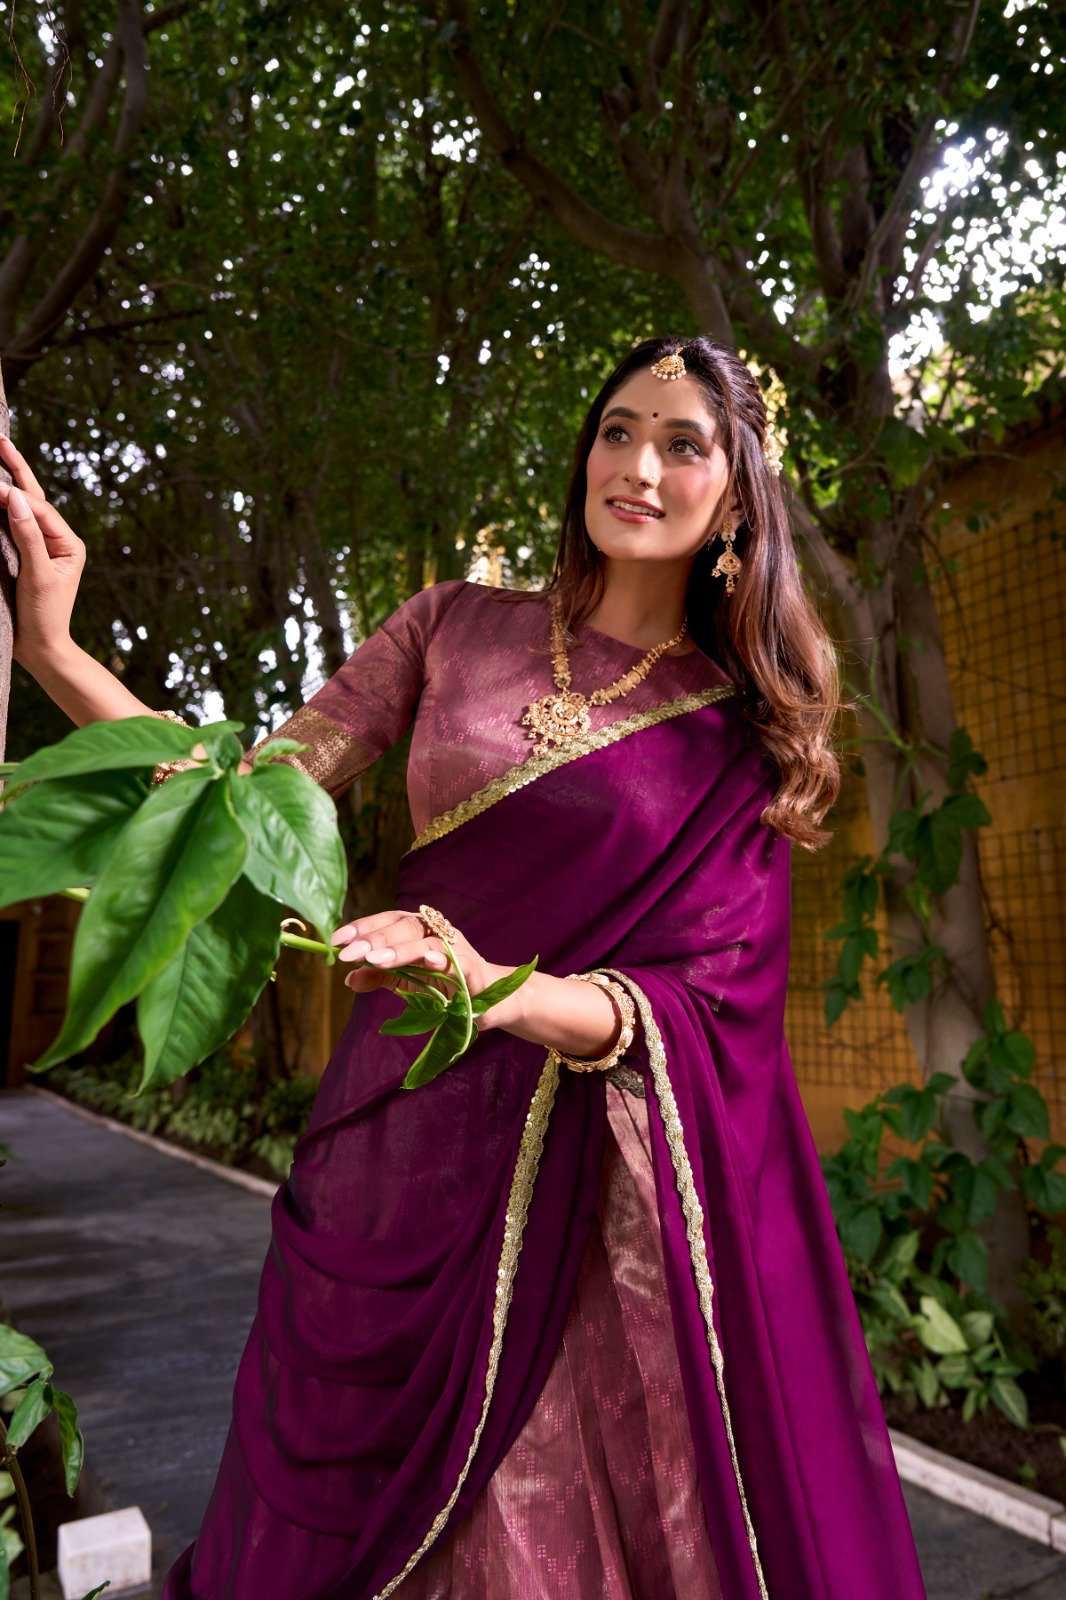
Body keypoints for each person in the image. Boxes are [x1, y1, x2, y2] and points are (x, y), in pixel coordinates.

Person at [2, 335, 928, 1600]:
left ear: (735, 498)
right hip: (394, 1142)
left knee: (526, 1534)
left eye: (682, 445)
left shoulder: (732, 731)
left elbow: (711, 1004)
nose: (636, 466)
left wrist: (489, 982)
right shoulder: (451, 623)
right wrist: (53, 647)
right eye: (616, 431)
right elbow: (239, 810)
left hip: (576, 1193)